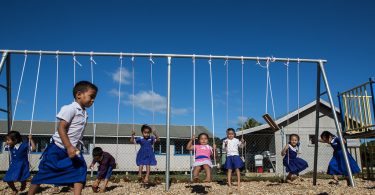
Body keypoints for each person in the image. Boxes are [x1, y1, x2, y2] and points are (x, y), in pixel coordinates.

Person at [28, 81, 98, 195]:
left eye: (94, 98)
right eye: (91, 96)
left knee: (80, 169)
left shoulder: (85, 114)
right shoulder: (70, 108)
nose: (93, 100)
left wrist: (74, 147)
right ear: (79, 94)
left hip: (73, 149)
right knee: (44, 171)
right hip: (58, 147)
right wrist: (68, 146)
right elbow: (61, 128)